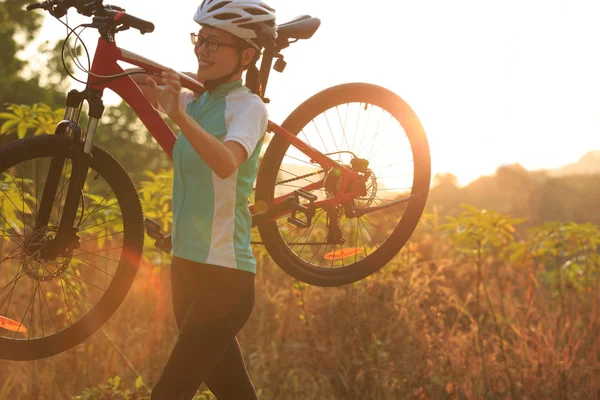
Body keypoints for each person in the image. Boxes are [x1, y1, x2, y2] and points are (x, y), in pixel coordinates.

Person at [133, 1, 277, 398]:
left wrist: (178, 115)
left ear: (247, 55)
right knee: (234, 392)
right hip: (185, 268)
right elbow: (139, 88)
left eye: (215, 43)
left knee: (169, 392)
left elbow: (227, 163)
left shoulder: (248, 107)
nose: (202, 50)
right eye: (201, 39)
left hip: (225, 277)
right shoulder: (197, 100)